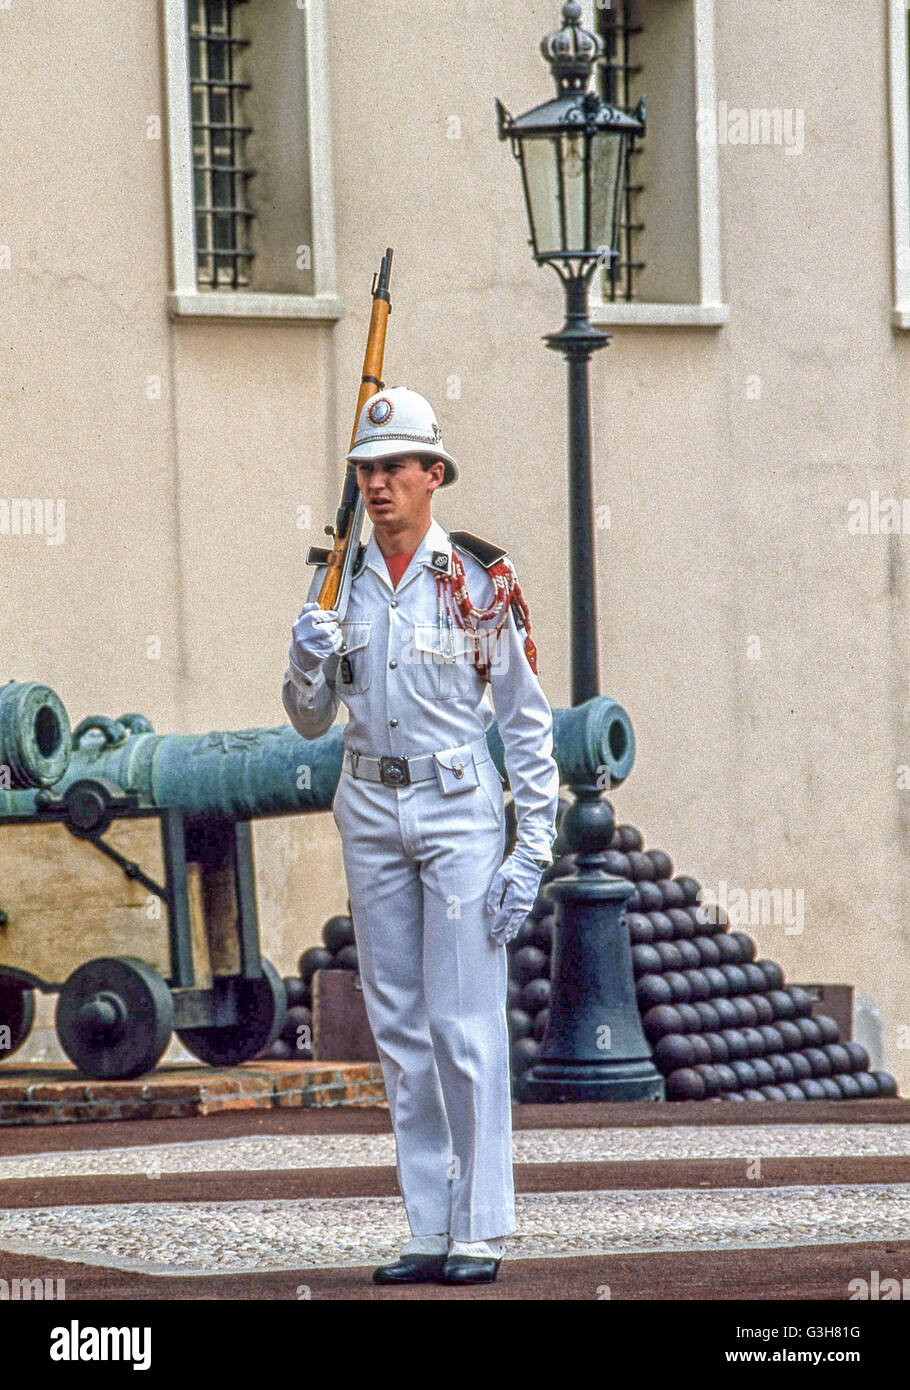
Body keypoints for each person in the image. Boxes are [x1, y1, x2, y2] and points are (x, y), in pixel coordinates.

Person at [282, 386, 559, 1286]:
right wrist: (304, 660)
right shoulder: (339, 576)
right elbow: (310, 720)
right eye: (366, 470)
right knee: (398, 1024)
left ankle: (479, 1228)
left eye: (395, 467)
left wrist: (531, 846)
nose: (378, 485)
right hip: (367, 804)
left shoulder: (482, 581)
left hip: (454, 806)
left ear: (434, 475)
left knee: (464, 1022)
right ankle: (427, 1227)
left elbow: (524, 722)